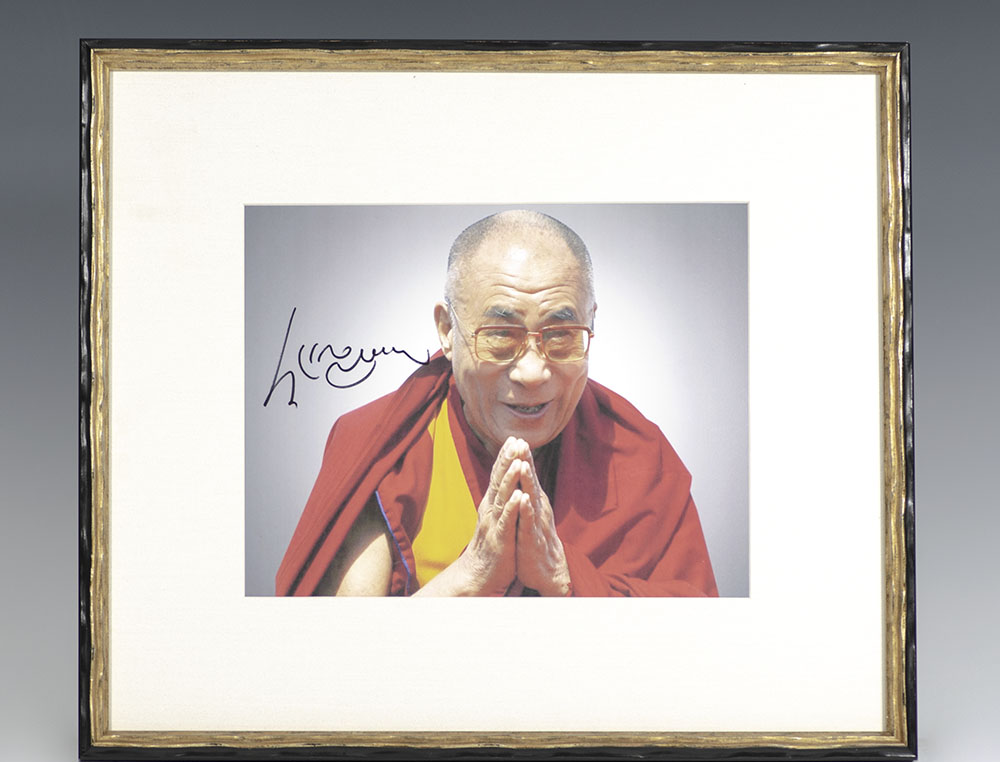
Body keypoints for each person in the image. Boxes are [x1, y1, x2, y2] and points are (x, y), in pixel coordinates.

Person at [276, 210, 718, 597]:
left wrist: (564, 578)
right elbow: (344, 659)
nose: (532, 372)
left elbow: (694, 650)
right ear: (448, 331)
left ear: (590, 325)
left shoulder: (638, 455)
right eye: (501, 336)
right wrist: (469, 578)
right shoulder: (381, 448)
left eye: (561, 335)